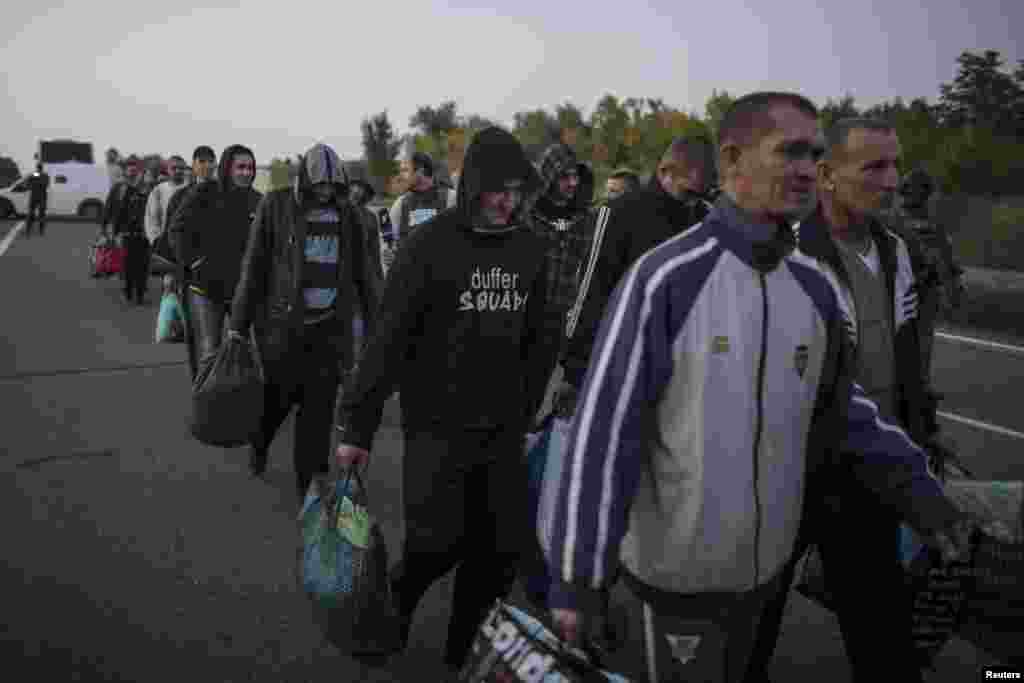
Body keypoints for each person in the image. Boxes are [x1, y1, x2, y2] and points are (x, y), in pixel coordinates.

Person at [542, 92, 972, 683]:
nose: (805, 168)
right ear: (734, 159)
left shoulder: (812, 288)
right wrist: (578, 578)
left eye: (814, 153)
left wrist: (920, 492)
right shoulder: (666, 278)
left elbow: (844, 407)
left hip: (763, 577)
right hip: (676, 584)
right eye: (789, 151)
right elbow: (604, 435)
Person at [333, 127, 554, 677]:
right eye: (497, 190)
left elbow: (540, 338)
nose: (508, 202)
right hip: (437, 427)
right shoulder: (428, 247)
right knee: (434, 545)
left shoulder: (530, 249)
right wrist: (357, 427)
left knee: (494, 556)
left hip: (502, 431)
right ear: (475, 185)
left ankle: (462, 658)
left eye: (515, 191)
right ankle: (390, 614)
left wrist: (528, 411)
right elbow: (387, 339)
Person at [751, 118, 944, 682]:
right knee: (751, 624)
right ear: (828, 175)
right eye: (875, 167)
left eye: (895, 165)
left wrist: (918, 441)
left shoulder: (896, 250)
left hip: (870, 470)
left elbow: (907, 357)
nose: (892, 181)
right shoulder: (780, 250)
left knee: (882, 628)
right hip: (788, 474)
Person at [230, 143, 380, 497]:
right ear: (306, 182)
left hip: (330, 331)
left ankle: (309, 487)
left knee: (318, 413)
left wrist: (382, 325)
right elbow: (253, 270)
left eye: (333, 186)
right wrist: (238, 326)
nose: (327, 193)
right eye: (320, 186)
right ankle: (260, 442)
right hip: (283, 330)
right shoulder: (276, 205)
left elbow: (367, 277)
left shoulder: (350, 215)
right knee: (277, 403)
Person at [558, 136, 716, 414]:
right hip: (623, 364)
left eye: (700, 195)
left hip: (688, 373)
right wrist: (575, 371)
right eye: (687, 193)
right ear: (665, 172)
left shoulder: (706, 218)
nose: (692, 203)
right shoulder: (621, 214)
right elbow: (591, 290)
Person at [170, 145, 261, 379]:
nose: (246, 172)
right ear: (228, 167)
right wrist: (194, 263)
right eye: (240, 167)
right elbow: (177, 230)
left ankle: (240, 404)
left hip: (243, 293)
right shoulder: (206, 192)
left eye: (250, 167)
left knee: (247, 352)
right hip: (205, 290)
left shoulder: (258, 201)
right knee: (209, 353)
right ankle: (206, 407)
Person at [888, 167, 964, 401]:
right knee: (901, 339)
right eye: (914, 191)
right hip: (902, 290)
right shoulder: (893, 222)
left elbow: (945, 256)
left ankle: (920, 385)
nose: (918, 196)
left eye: (921, 191)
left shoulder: (931, 224)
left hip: (925, 289)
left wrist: (952, 284)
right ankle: (901, 384)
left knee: (923, 340)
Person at [102, 159, 151, 304]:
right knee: (127, 265)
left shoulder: (146, 188)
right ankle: (128, 292)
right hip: (125, 233)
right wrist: (105, 228)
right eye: (129, 168)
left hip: (144, 234)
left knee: (142, 265)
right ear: (125, 171)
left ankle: (140, 294)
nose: (132, 170)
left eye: (134, 168)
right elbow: (109, 208)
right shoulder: (119, 188)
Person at [388, 151, 457, 246]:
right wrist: (390, 254)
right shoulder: (400, 204)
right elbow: (392, 243)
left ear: (420, 171)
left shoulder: (452, 198)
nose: (401, 176)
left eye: (405, 170)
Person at [25, 163, 50, 237]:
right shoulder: (45, 175)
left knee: (31, 213)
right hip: (42, 196)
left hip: (34, 196)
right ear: (42, 168)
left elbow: (28, 183)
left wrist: (31, 186)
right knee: (42, 214)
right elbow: (46, 185)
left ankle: (28, 230)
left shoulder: (34, 174)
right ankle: (41, 231)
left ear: (37, 168)